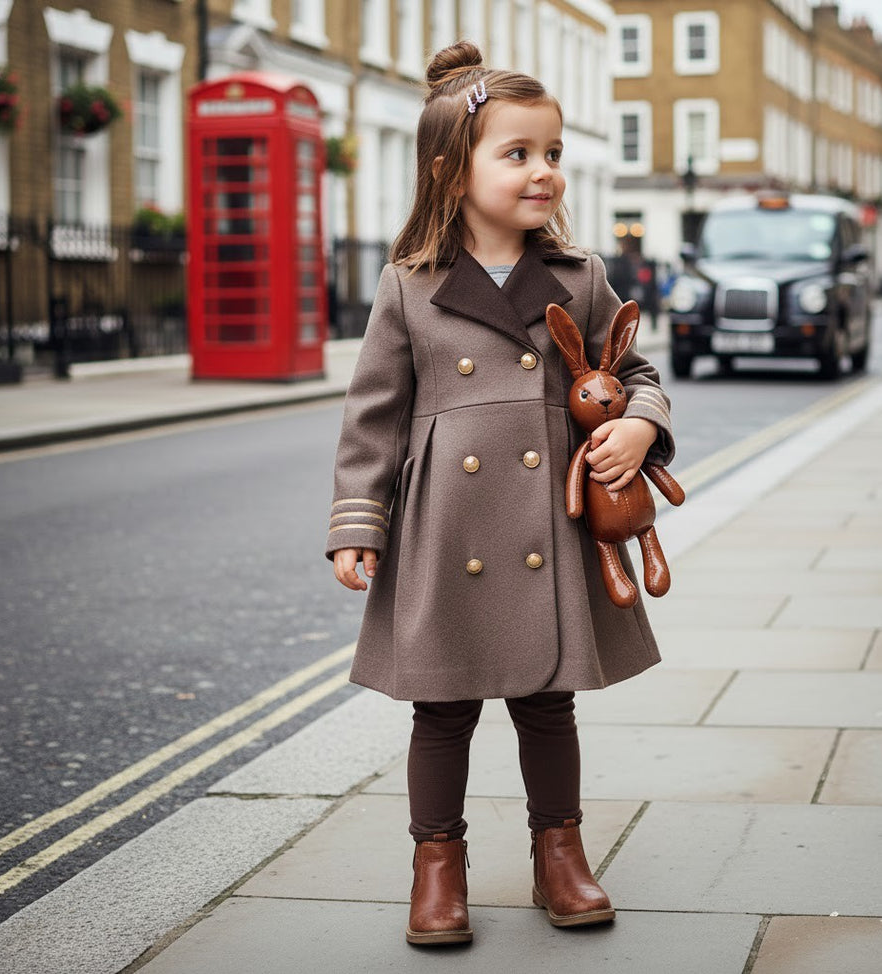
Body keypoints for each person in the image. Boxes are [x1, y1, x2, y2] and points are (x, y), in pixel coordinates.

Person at [326, 41, 674, 947]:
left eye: (551, 153)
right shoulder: (409, 287)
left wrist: (640, 425)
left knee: (546, 700)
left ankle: (561, 855)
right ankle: (437, 867)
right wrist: (357, 525)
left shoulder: (577, 276)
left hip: (546, 528)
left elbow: (634, 371)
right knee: (441, 709)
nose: (543, 172)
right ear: (453, 170)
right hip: (447, 526)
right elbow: (374, 419)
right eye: (517, 154)